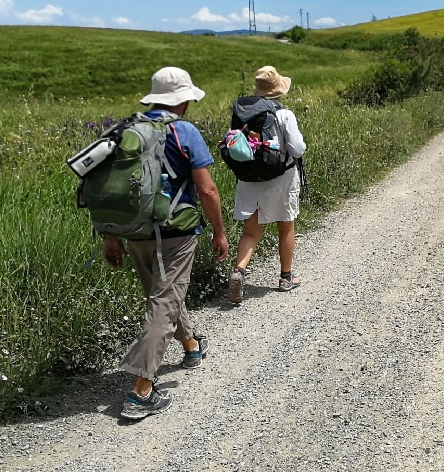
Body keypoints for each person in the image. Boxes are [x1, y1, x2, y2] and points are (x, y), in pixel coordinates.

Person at [101, 66, 230, 420]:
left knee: (162, 296)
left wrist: (111, 236)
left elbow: (110, 191)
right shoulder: (184, 130)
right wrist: (220, 232)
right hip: (176, 230)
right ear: (183, 101)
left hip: (135, 231)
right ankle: (141, 391)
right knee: (164, 301)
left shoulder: (126, 128)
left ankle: (190, 345)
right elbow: (207, 189)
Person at [228, 65, 307, 303]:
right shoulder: (284, 115)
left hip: (250, 178)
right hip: (281, 178)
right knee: (286, 228)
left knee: (251, 232)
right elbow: (297, 149)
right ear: (279, 90)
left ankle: (238, 272)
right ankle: (285, 277)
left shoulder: (242, 114)